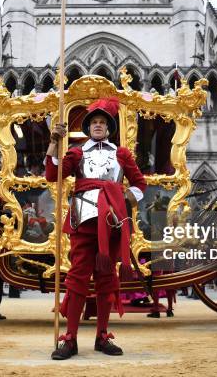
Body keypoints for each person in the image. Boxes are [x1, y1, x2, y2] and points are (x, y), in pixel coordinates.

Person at [46, 97, 146, 360]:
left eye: (103, 122)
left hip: (112, 222)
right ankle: (70, 339)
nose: (98, 126)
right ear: (88, 127)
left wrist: (124, 200)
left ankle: (102, 336)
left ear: (109, 128)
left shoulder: (121, 154)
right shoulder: (77, 152)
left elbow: (140, 184)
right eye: (94, 122)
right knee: (78, 277)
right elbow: (52, 175)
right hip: (84, 220)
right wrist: (55, 142)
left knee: (106, 278)